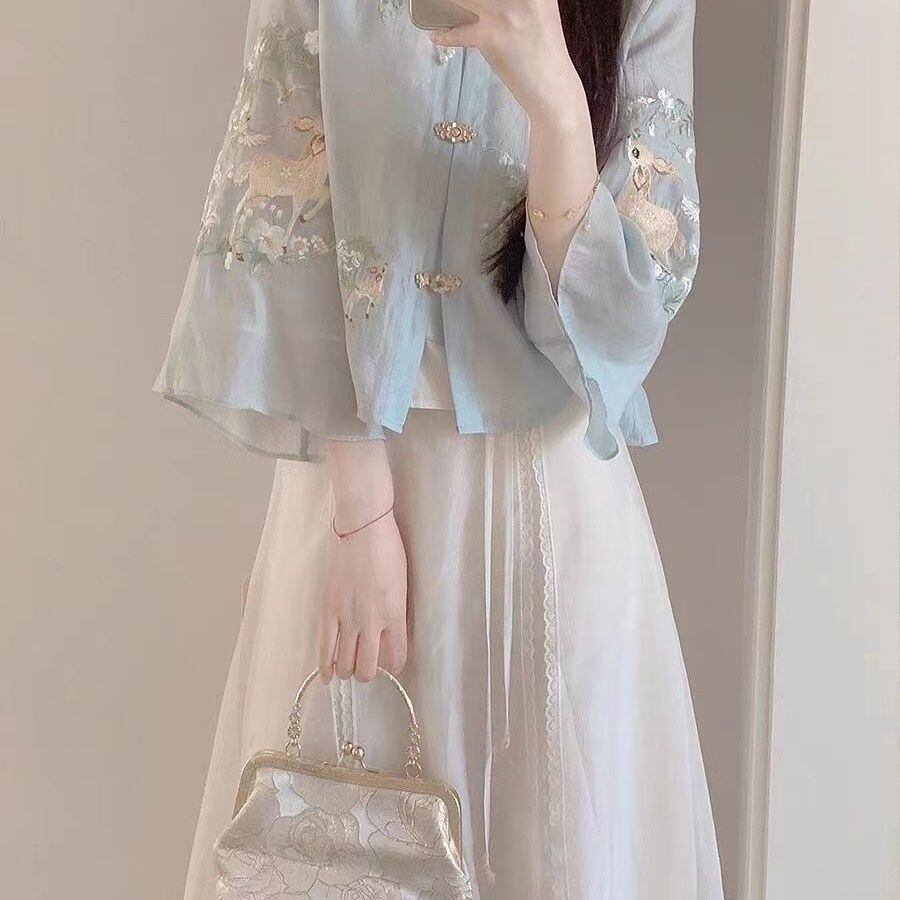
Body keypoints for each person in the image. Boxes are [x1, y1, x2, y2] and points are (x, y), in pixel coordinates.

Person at [155, 0, 723, 897]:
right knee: (342, 843)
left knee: (552, 845)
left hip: (552, 503)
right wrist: (359, 514)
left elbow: (622, 326)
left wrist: (557, 105)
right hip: (357, 482)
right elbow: (286, 216)